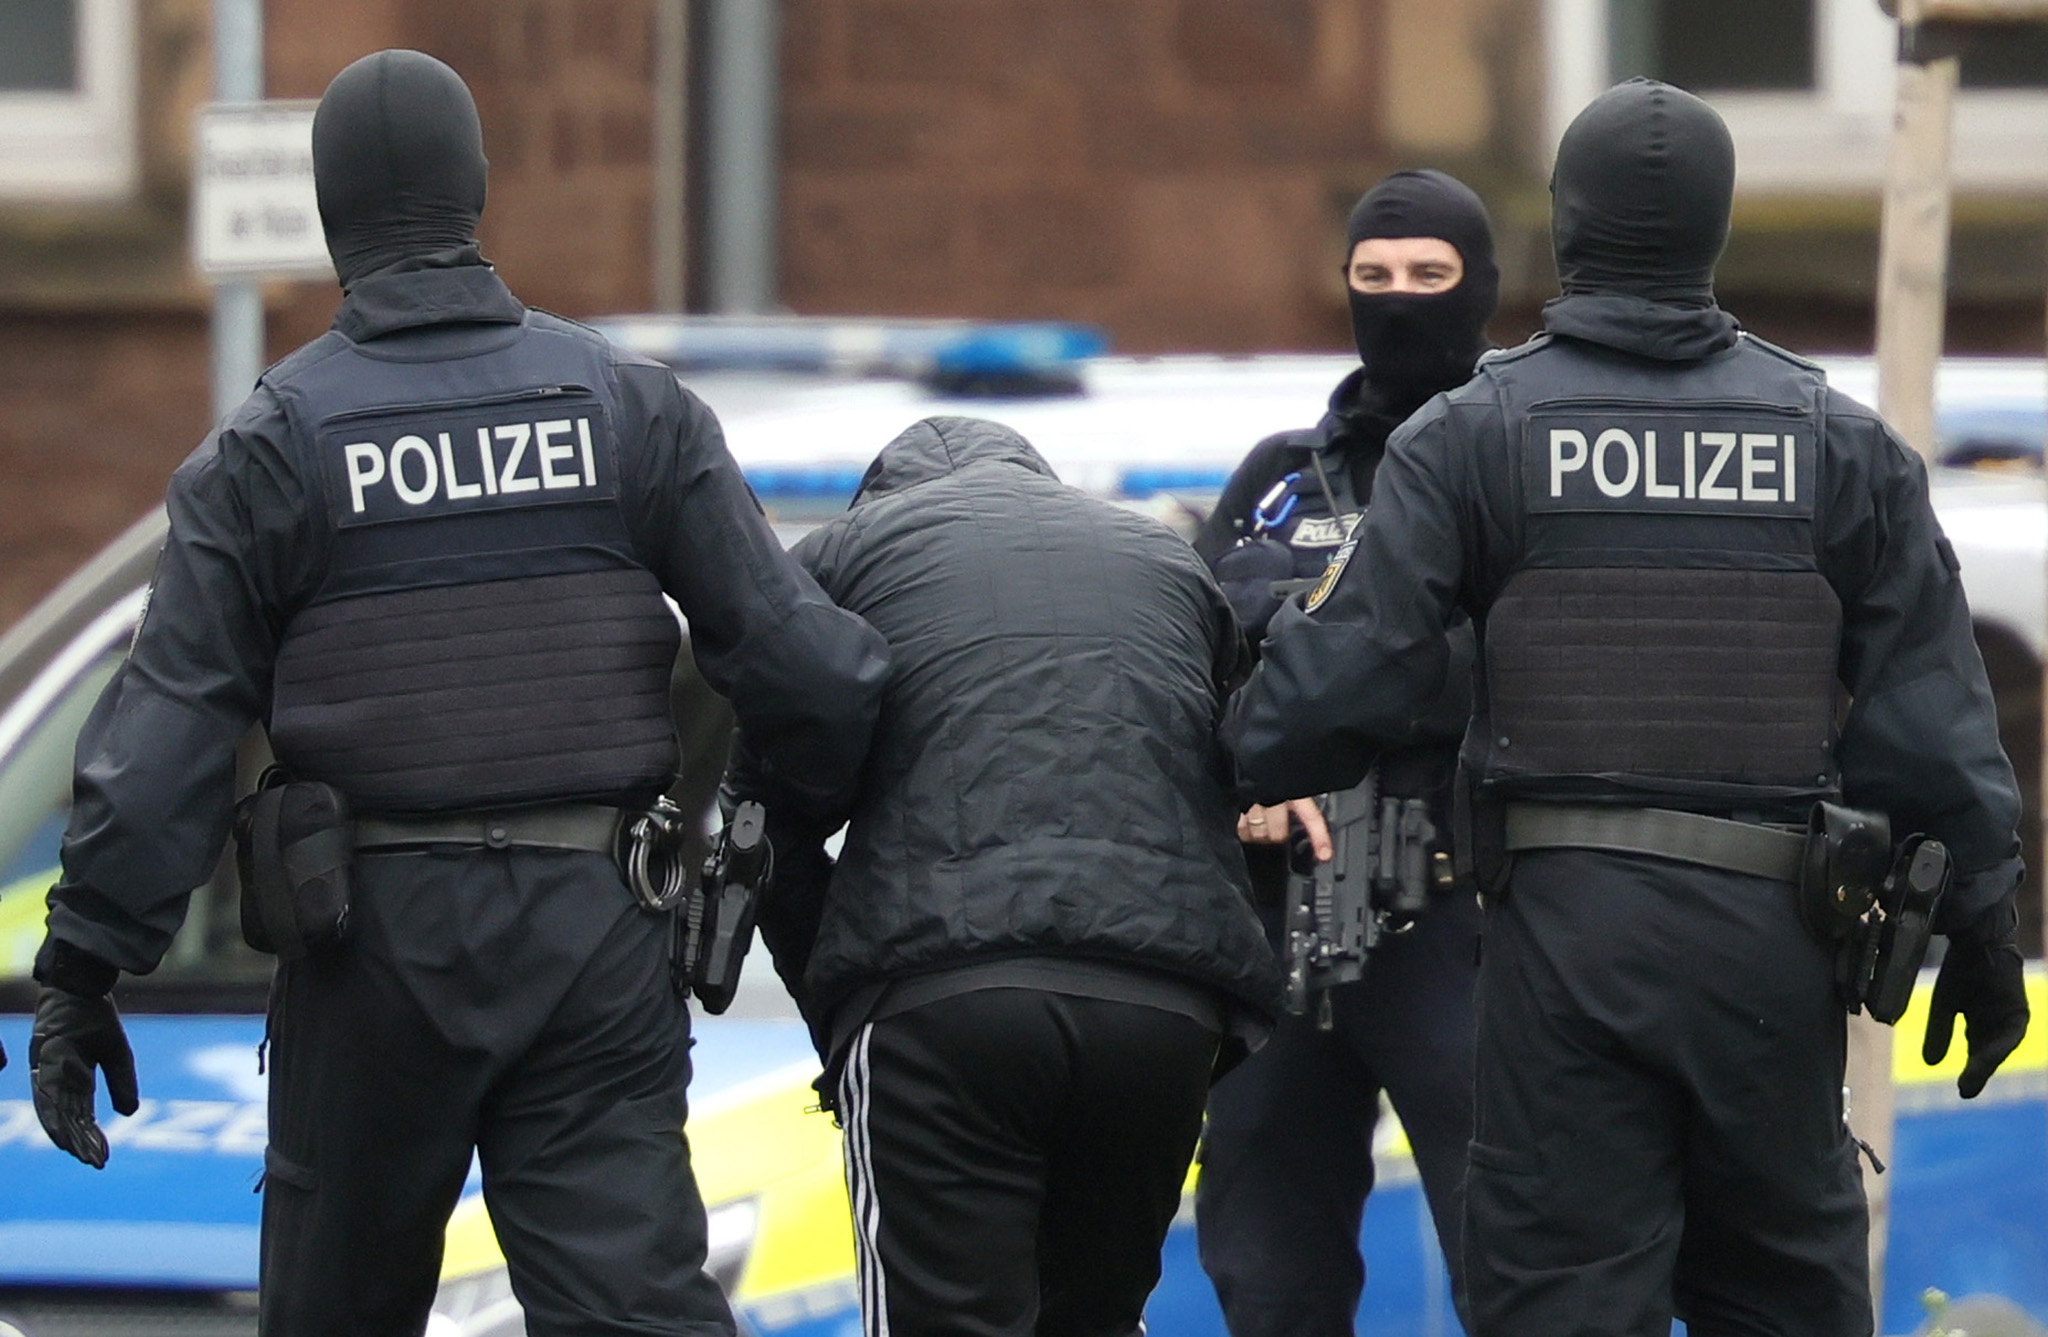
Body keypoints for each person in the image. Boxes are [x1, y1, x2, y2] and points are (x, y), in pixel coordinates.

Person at [25, 49, 889, 1337]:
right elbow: (807, 673)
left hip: (370, 949)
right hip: (596, 938)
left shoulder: (268, 449)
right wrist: (783, 835)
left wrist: (84, 965)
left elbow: (168, 735)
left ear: (330, 219)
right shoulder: (627, 411)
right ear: (475, 193)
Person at [1225, 79, 2031, 1337]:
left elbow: (1333, 688)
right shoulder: (1831, 437)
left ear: (1565, 224)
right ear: (1711, 228)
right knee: (1779, 1296)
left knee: (1561, 1299)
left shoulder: (1471, 434)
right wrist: (1980, 915)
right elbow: (1930, 708)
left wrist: (1242, 727)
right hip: (1772, 948)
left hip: (1560, 948)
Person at [730, 415, 1283, 1337]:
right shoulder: (1164, 557)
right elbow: (1227, 755)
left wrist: (840, 1008)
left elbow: (764, 823)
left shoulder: (840, 557)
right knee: (1098, 1318)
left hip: (946, 1002)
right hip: (1163, 1006)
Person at [1189, 169, 1494, 1335]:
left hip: (1452, 909)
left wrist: (1308, 641)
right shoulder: (1278, 476)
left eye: (1429, 277)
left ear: (1482, 287)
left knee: (1505, 1247)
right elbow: (1198, 647)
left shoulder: (1508, 455)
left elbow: (1495, 657)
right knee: (1265, 1260)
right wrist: (1260, 770)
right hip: (1283, 910)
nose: (1399, 301)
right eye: (1372, 278)